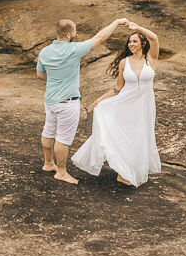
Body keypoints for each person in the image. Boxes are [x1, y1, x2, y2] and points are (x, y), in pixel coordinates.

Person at [37, 17, 128, 184]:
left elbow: (40, 74)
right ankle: (62, 172)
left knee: (48, 130)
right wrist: (116, 22)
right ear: (68, 34)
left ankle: (49, 163)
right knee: (62, 138)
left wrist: (55, 81)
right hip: (67, 102)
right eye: (74, 31)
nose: (76, 34)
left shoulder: (44, 51)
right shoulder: (73, 49)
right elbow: (100, 38)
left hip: (50, 100)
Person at [72, 21, 162, 187]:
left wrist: (137, 28)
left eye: (135, 41)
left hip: (144, 105)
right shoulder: (124, 62)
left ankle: (132, 170)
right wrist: (101, 99)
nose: (131, 44)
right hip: (125, 105)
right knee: (124, 137)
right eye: (129, 41)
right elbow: (118, 87)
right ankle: (123, 172)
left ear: (143, 43)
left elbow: (155, 38)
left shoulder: (151, 59)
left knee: (140, 137)